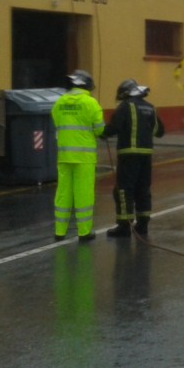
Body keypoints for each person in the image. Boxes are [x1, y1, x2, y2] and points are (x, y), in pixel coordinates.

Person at [102, 78, 165, 238]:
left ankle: (124, 226)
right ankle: (142, 225)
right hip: (146, 154)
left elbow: (113, 128)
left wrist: (102, 133)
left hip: (128, 154)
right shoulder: (150, 108)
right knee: (143, 189)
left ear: (125, 93)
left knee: (124, 190)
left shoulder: (124, 106)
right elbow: (159, 131)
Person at [52, 70, 106, 242]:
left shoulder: (59, 103)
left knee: (63, 193)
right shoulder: (90, 103)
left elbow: (57, 122)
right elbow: (100, 129)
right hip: (84, 157)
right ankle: (84, 232)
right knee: (83, 194)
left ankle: (59, 231)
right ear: (87, 85)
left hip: (64, 155)